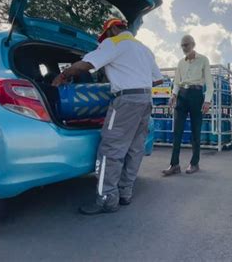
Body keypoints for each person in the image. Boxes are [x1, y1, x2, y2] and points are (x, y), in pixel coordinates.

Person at [52, 18, 163, 215]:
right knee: (134, 149)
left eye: (105, 36)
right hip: (145, 101)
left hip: (125, 102)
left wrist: (63, 75)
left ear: (111, 30)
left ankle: (106, 200)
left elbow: (85, 65)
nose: (104, 39)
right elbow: (158, 78)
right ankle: (125, 193)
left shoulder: (113, 43)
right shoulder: (144, 49)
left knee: (110, 149)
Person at [162, 35, 213, 176]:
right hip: (182, 97)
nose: (184, 48)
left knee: (195, 131)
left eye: (187, 45)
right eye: (182, 45)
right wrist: (173, 95)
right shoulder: (180, 63)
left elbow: (209, 83)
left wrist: (207, 100)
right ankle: (174, 164)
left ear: (193, 44)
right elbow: (177, 82)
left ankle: (194, 163)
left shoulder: (203, 60)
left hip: (197, 96)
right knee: (177, 131)